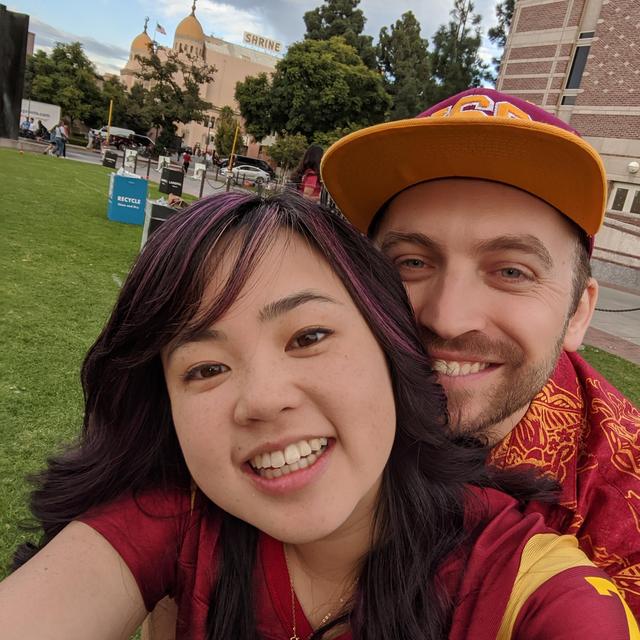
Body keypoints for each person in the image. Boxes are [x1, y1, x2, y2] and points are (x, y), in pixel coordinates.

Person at [0, 192, 636, 639]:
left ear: (389, 345)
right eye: (205, 368)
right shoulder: (181, 517)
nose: (445, 318)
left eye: (308, 337)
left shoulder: (534, 584)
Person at [321, 87, 640, 615]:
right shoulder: (300, 402)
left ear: (578, 313)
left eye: (511, 271)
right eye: (411, 263)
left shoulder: (623, 510)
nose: (447, 317)